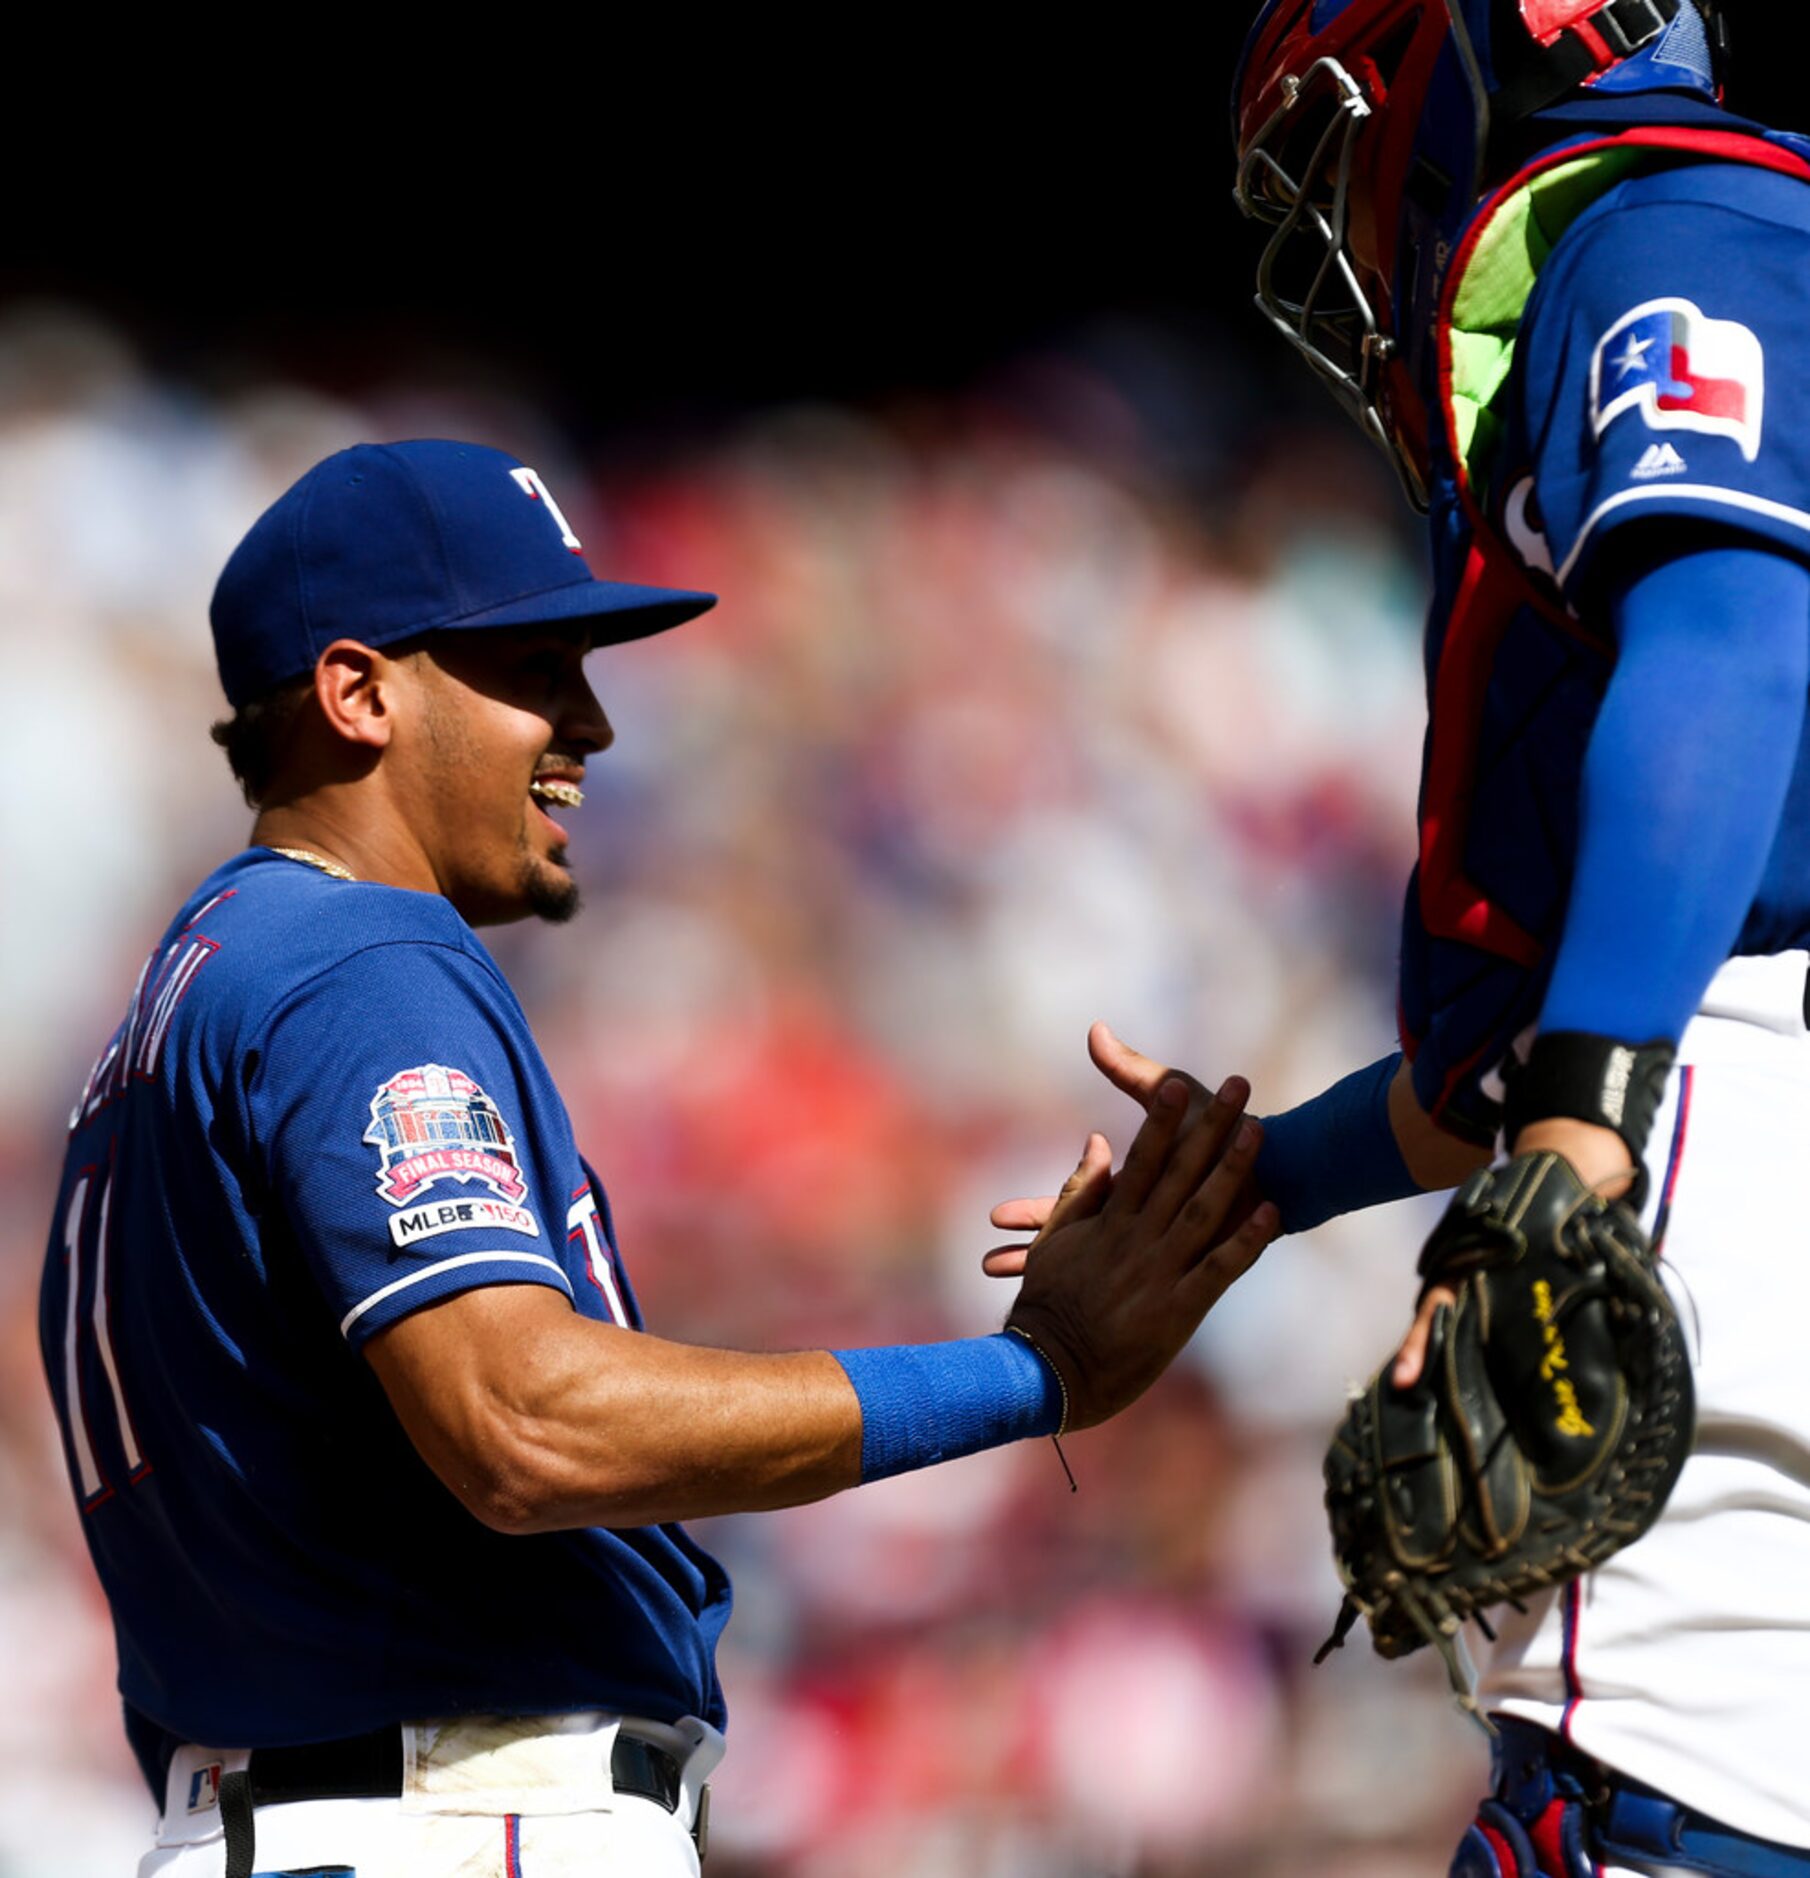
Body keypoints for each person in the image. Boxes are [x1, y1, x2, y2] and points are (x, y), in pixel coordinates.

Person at [39, 439, 1279, 1878]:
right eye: (532, 666)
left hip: (312, 1808)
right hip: (440, 1818)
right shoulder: (353, 957)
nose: (591, 725)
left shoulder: (183, 993)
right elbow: (523, 1421)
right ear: (358, 691)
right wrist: (1031, 1371)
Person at [1209, 2, 1810, 1871]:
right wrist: (1267, 1175)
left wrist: (1577, 1123)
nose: (1347, 205)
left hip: (1741, 1105)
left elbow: (1727, 635)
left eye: (1347, 123)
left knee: (1628, 1810)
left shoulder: (1663, 225)